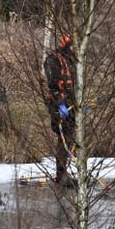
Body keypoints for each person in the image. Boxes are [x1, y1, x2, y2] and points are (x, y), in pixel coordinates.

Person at [44, 34, 77, 187]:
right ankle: (61, 174)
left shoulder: (72, 61)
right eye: (71, 46)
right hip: (58, 104)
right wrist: (60, 104)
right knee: (63, 137)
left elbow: (75, 84)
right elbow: (52, 85)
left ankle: (65, 172)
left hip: (71, 103)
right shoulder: (52, 61)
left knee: (70, 138)